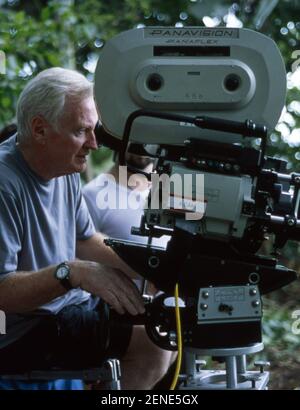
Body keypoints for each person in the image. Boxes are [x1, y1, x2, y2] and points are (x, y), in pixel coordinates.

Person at [0, 67, 175, 390]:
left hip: (65, 307)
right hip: (19, 328)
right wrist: (72, 273)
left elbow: (85, 240)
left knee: (166, 322)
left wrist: (157, 264)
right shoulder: (4, 182)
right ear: (40, 129)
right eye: (82, 131)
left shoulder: (64, 166)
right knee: (152, 344)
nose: (94, 144)